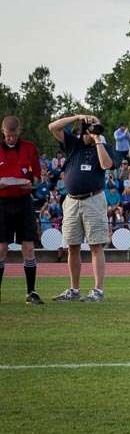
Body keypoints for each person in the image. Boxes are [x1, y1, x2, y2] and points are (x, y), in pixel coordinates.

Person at [48, 113, 114, 302]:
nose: (94, 130)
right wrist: (78, 117)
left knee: (96, 245)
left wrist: (98, 140)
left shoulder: (103, 146)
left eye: (98, 127)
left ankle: (98, 290)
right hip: (71, 201)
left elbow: (106, 164)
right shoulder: (73, 144)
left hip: (93, 199)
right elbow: (53, 127)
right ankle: (74, 289)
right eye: (92, 127)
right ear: (84, 129)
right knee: (72, 246)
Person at [0, 115, 43, 303]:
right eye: (8, 135)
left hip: (24, 200)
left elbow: (38, 177)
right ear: (3, 132)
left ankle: (31, 292)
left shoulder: (29, 148)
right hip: (2, 202)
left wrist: (31, 183)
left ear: (19, 131)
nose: (11, 138)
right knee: (1, 248)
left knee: (28, 247)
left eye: (14, 135)